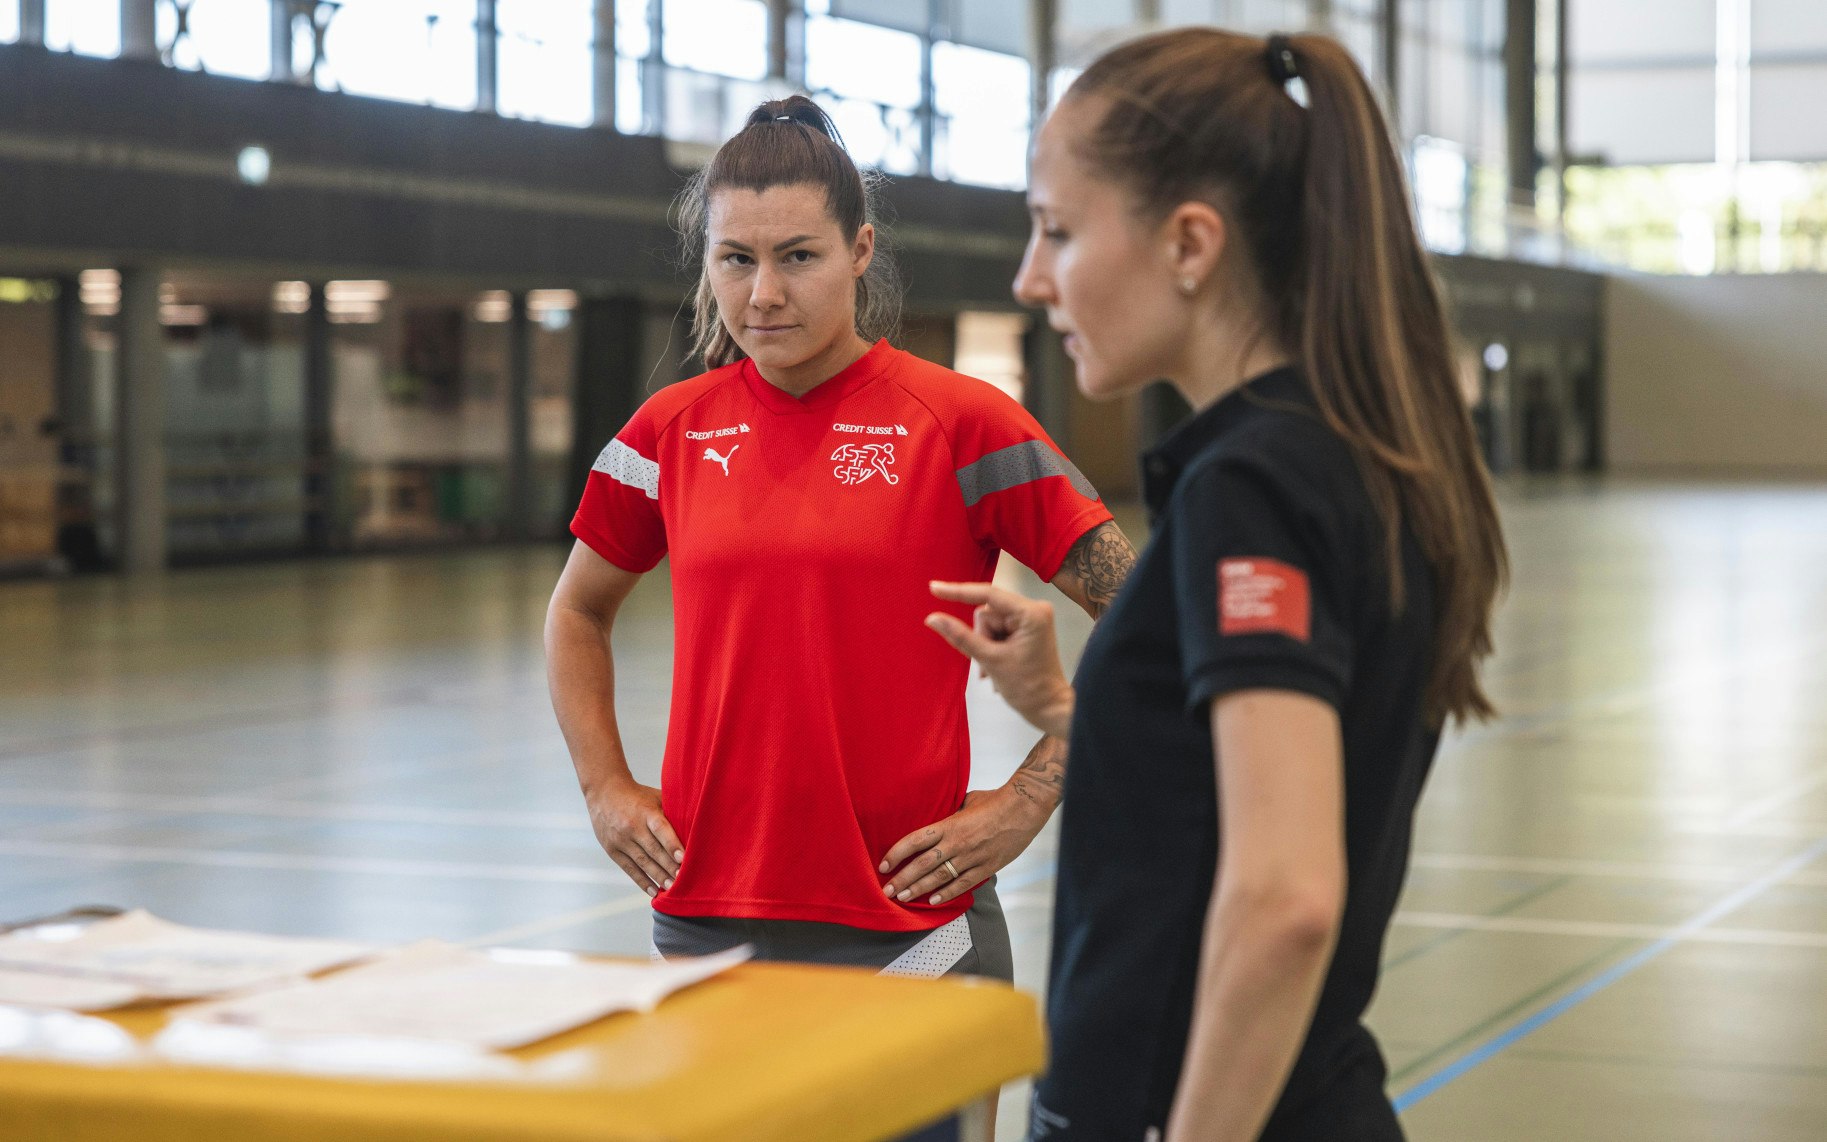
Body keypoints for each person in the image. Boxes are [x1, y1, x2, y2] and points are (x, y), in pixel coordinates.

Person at [923, 29, 1507, 1141]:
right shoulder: (1348, 454)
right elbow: (1237, 789)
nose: (1029, 276)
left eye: (1057, 229)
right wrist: (1064, 708)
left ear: (1191, 242)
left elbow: (1284, 899)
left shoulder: (1255, 487)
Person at [545, 96, 1135, 983]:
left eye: (798, 257)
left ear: (860, 249)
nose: (764, 293)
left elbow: (1146, 613)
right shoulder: (666, 433)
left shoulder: (964, 424)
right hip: (707, 928)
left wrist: (1027, 799)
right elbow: (577, 613)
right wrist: (605, 789)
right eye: (735, 260)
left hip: (916, 931)